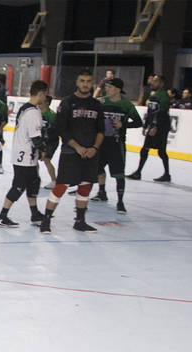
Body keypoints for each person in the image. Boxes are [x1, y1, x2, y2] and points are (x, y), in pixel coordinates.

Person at [39, 70, 104, 234]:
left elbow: (101, 131)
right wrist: (78, 147)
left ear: (92, 83)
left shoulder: (96, 105)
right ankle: (46, 220)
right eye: (82, 80)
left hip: (90, 154)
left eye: (88, 81)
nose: (85, 84)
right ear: (77, 82)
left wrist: (94, 148)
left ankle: (80, 221)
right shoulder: (68, 102)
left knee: (85, 186)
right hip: (70, 152)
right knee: (61, 186)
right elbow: (62, 129)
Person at [0, 80, 48, 227]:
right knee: (19, 186)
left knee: (33, 183)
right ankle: (2, 216)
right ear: (41, 93)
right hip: (25, 156)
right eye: (45, 94)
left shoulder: (26, 108)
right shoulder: (33, 113)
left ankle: (35, 214)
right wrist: (43, 151)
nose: (46, 97)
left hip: (24, 154)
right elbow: (35, 137)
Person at [92, 78, 142, 214]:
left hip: (117, 143)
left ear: (118, 89)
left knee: (119, 173)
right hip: (101, 142)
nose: (106, 89)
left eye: (109, 87)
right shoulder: (101, 102)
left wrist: (123, 124)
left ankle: (120, 201)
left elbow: (139, 122)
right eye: (106, 87)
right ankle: (101, 192)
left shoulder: (127, 105)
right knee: (97, 168)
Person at [128, 75, 172, 182]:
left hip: (160, 127)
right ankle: (140, 172)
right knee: (147, 149)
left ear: (161, 83)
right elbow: (150, 112)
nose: (152, 82)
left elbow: (162, 113)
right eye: (152, 80)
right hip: (153, 125)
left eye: (156, 81)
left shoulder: (164, 96)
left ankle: (164, 174)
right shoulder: (153, 95)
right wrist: (145, 125)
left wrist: (155, 126)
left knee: (159, 151)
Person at [39, 94, 58, 188]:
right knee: (33, 160)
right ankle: (36, 179)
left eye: (42, 101)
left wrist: (45, 148)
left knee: (46, 159)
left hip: (51, 141)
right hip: (40, 141)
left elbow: (55, 131)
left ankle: (54, 181)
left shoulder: (52, 115)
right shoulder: (36, 113)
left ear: (47, 103)